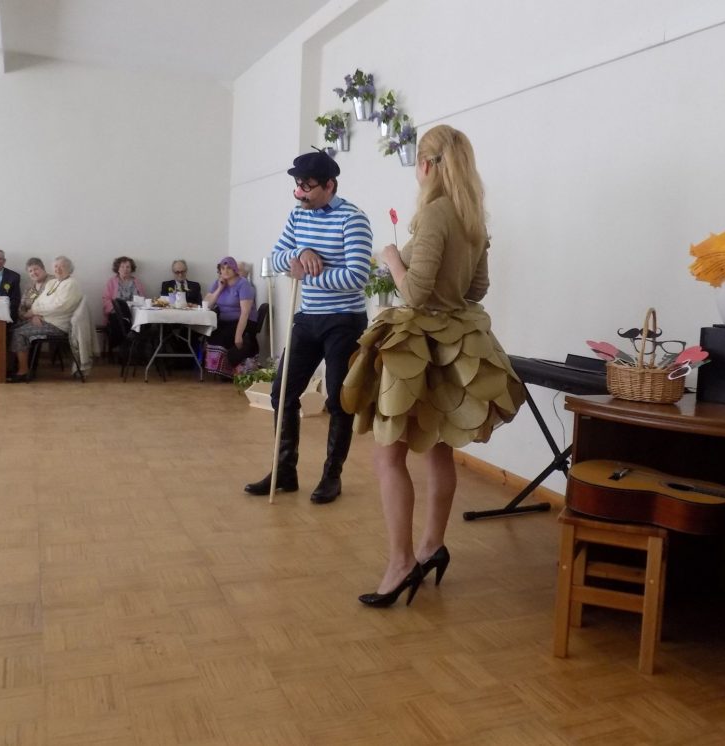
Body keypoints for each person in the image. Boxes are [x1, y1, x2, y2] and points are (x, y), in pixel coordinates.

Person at [340, 126, 525, 607]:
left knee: (388, 456)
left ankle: (401, 563)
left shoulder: (436, 213)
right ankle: (431, 547)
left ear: (425, 165)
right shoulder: (471, 215)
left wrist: (392, 258)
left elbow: (416, 293)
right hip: (455, 344)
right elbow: (476, 289)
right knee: (438, 450)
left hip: (419, 346)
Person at [243, 149, 371, 504]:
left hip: (344, 321)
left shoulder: (353, 219)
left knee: (339, 400)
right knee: (281, 393)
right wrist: (299, 254)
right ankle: (285, 471)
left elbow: (357, 277)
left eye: (307, 186)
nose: (300, 193)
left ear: (330, 185)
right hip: (307, 317)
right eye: (297, 185)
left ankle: (332, 476)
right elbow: (276, 257)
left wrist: (311, 273)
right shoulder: (298, 215)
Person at [8, 256, 84, 382]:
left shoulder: (71, 284)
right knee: (12, 328)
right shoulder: (53, 283)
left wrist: (35, 312)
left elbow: (59, 306)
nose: (58, 269)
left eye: (62, 266)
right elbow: (39, 301)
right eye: (56, 266)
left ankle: (23, 371)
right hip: (46, 320)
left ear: (69, 268)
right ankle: (15, 367)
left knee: (19, 333)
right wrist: (35, 312)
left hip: (57, 325)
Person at [202, 257, 259, 378]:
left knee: (224, 337)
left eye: (228, 268)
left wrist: (238, 336)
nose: (225, 271)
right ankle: (220, 370)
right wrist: (220, 288)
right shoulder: (218, 283)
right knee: (211, 334)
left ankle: (230, 371)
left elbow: (245, 312)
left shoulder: (243, 284)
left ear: (234, 269)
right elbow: (207, 304)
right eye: (222, 268)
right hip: (225, 320)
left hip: (244, 321)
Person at [102, 256, 146, 354]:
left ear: (131, 269)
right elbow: (106, 299)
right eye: (122, 267)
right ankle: (121, 349)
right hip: (117, 313)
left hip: (134, 313)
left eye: (128, 267)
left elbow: (142, 299)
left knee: (144, 324)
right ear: (117, 269)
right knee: (118, 322)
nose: (125, 269)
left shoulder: (137, 282)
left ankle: (136, 351)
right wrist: (117, 308)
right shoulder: (111, 282)